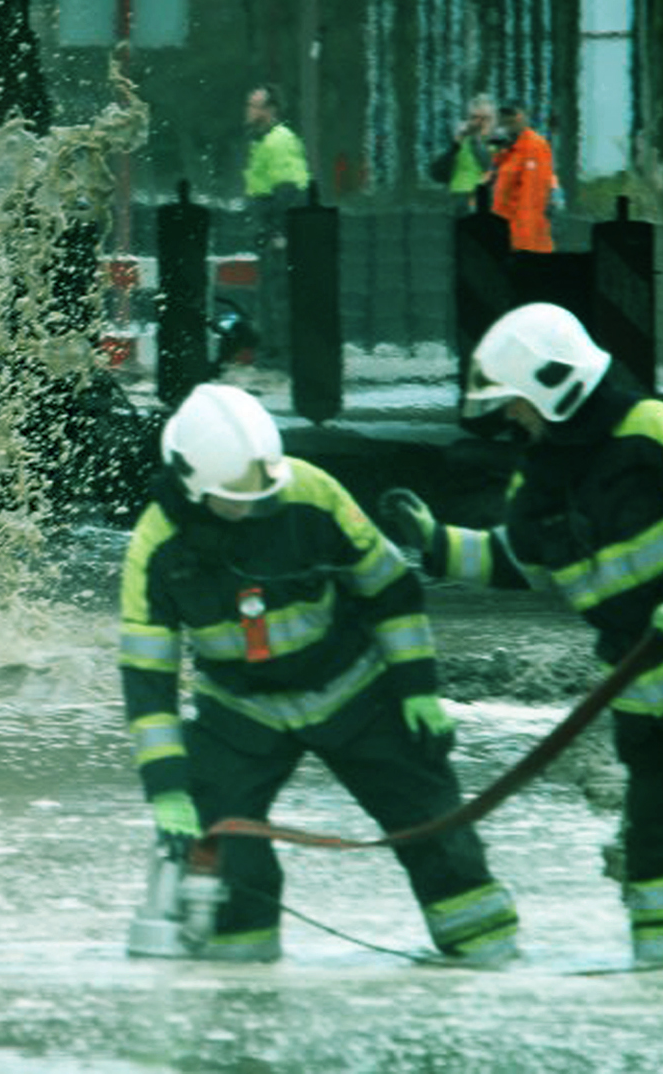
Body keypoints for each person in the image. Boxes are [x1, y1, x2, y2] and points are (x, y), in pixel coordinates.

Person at [380, 302, 663, 966]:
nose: (511, 416)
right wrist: (438, 544)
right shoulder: (538, 474)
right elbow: (522, 558)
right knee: (661, 837)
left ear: (551, 383)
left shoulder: (651, 428)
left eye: (515, 401)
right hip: (648, 684)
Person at [120, 383, 521, 963]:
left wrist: (417, 690)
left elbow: (390, 587)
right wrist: (168, 791)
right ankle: (242, 989)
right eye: (235, 496)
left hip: (352, 687)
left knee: (431, 817)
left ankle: (490, 957)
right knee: (228, 844)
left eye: (263, 491)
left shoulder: (310, 491)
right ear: (190, 483)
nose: (253, 504)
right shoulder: (156, 548)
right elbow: (147, 680)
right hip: (241, 711)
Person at [240, 85, 309, 358]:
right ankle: (275, 349)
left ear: (270, 111)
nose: (249, 111)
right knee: (271, 291)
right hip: (268, 227)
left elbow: (287, 188)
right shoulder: (263, 141)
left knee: (278, 292)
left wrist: (278, 231)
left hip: (276, 230)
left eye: (254, 106)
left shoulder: (278, 141)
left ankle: (280, 353)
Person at [487, 104, 556, 252]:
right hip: (503, 233)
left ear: (524, 117)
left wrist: (522, 244)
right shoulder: (506, 148)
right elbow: (491, 181)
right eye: (504, 119)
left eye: (513, 118)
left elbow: (533, 198)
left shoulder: (535, 146)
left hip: (524, 242)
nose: (508, 122)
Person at [428, 94, 495, 211]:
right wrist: (455, 145)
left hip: (489, 201)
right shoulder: (459, 142)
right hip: (460, 201)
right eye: (474, 118)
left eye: (484, 118)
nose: (479, 122)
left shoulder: (499, 142)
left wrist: (476, 140)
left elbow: (488, 165)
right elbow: (437, 173)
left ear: (493, 121)